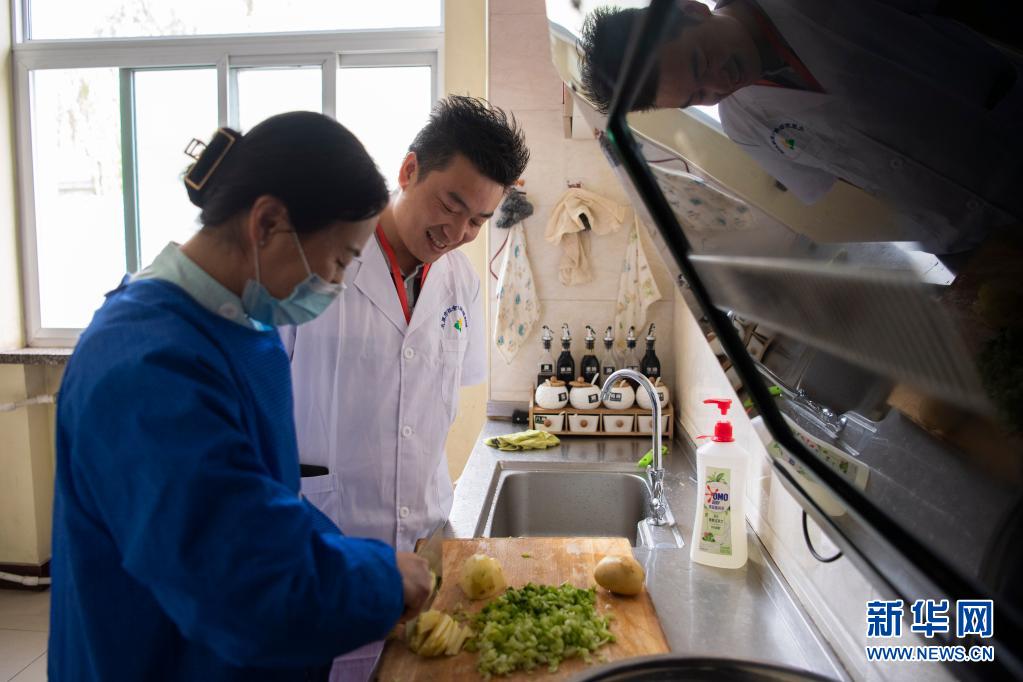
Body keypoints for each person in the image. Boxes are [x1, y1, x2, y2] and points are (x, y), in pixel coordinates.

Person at [49, 112, 433, 682]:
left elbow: (262, 501)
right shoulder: (144, 366)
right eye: (339, 260)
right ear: (268, 222)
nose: (337, 284)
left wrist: (350, 558)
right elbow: (237, 578)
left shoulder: (245, 327)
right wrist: (378, 578)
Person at [281, 96, 528, 680]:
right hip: (330, 539)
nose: (458, 232)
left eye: (478, 221)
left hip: (425, 541)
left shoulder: (461, 283)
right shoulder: (315, 266)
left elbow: (430, 409)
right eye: (451, 204)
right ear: (409, 170)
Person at [579, 0, 1023, 253]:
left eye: (701, 61)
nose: (719, 83)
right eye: (697, 96)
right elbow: (855, 180)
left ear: (693, 11)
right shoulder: (743, 123)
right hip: (959, 232)